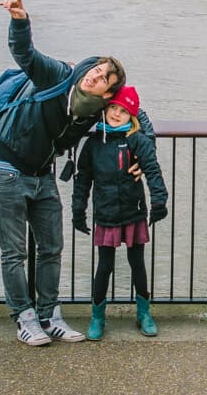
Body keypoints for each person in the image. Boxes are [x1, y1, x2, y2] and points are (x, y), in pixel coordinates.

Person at [0, 0, 127, 347]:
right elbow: (26, 56)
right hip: (6, 167)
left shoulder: (94, 111)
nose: (93, 77)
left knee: (51, 247)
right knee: (14, 252)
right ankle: (25, 317)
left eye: (102, 79)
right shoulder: (58, 76)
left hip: (42, 173)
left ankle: (50, 315)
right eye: (95, 70)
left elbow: (136, 117)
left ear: (107, 94)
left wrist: (140, 160)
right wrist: (20, 20)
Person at [71, 85, 168, 340]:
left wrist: (159, 201)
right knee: (104, 266)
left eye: (123, 111)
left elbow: (153, 170)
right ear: (104, 110)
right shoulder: (93, 144)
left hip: (133, 211)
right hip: (105, 213)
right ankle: (97, 317)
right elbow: (83, 180)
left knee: (137, 264)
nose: (116, 114)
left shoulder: (137, 140)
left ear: (132, 116)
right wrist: (78, 210)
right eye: (113, 108)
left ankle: (144, 313)